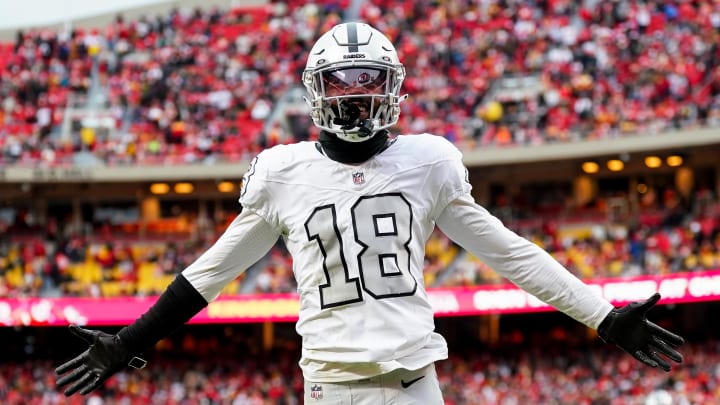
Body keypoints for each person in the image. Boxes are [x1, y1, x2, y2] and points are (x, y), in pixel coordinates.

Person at [55, 22, 684, 403]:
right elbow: (211, 273)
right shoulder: (283, 172)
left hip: (416, 381)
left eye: (368, 83)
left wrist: (603, 317)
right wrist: (130, 342)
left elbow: (511, 254)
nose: (355, 98)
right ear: (315, 91)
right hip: (331, 385)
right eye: (340, 84)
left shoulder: (428, 161)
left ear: (393, 88)